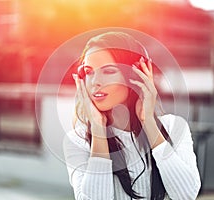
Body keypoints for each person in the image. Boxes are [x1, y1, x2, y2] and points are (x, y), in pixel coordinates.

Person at [63, 31, 201, 200]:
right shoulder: (78, 140)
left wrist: (148, 123)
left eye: (108, 71)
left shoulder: (174, 126)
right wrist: (98, 132)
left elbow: (186, 195)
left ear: (135, 75)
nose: (94, 81)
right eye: (89, 72)